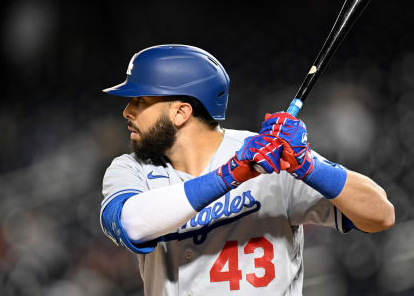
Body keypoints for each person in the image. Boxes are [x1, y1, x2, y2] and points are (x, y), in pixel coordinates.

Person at [99, 44, 395, 296]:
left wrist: (308, 167)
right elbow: (130, 224)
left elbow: (380, 214)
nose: (127, 111)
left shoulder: (270, 157)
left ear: (181, 112)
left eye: (140, 100)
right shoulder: (129, 170)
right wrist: (230, 176)